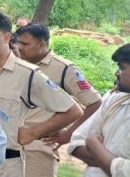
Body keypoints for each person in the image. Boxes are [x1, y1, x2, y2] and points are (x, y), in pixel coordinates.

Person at [0, 11, 83, 177]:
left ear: (6, 38)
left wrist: (34, 132)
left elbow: (72, 110)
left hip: (6, 166)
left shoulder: (27, 74)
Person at [15, 23, 102, 176]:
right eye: (18, 42)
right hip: (11, 145)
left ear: (41, 44)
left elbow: (94, 103)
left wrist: (69, 134)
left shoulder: (65, 69)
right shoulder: (16, 65)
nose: (19, 47)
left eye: (25, 43)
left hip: (39, 148)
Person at [68, 39, 130, 177]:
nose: (117, 73)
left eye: (122, 68)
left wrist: (93, 142)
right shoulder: (114, 101)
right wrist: (117, 163)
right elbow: (75, 144)